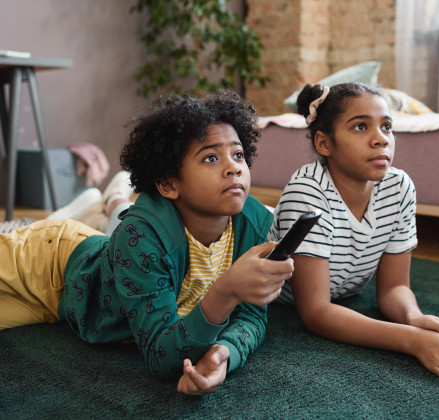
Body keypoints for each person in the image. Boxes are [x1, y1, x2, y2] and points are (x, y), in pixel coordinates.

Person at [0, 91, 294, 394]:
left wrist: (225, 353)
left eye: (238, 155)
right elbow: (161, 356)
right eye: (210, 157)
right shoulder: (141, 235)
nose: (234, 167)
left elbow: (252, 317)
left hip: (61, 309)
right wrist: (227, 290)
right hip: (43, 263)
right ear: (169, 183)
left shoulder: (255, 223)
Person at [268, 82, 439, 379]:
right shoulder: (307, 192)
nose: (380, 139)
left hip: (343, 292)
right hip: (284, 297)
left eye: (387, 126)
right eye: (360, 127)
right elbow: (316, 312)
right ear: (324, 144)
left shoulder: (399, 187)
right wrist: (413, 341)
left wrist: (414, 317)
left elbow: (394, 287)